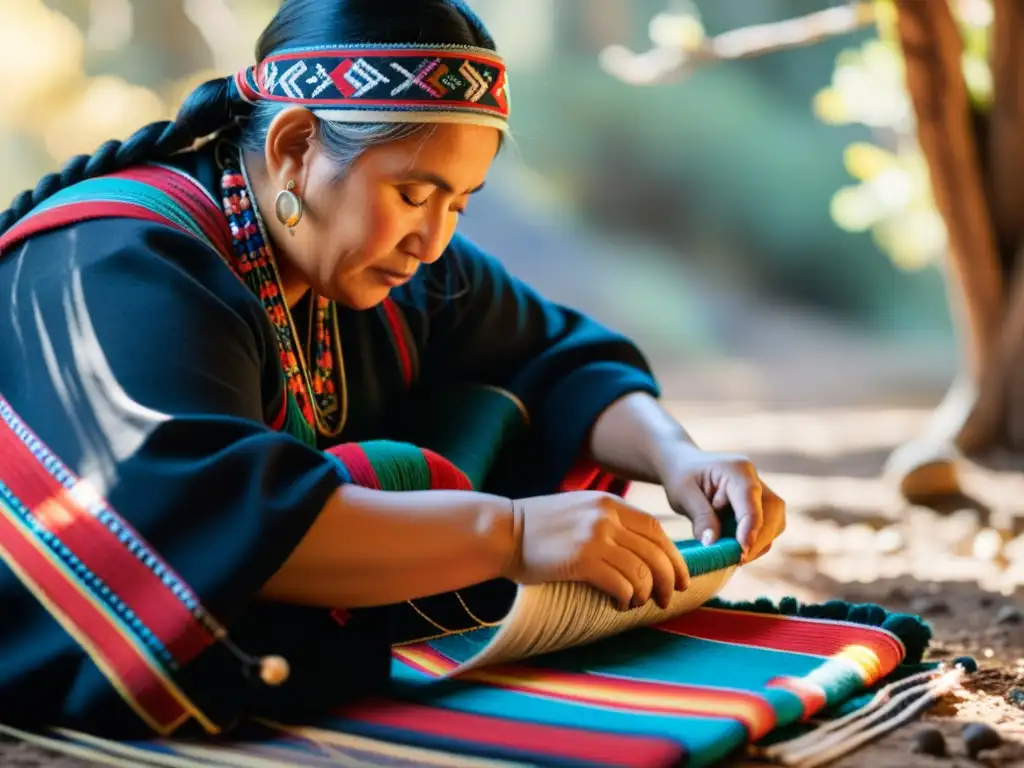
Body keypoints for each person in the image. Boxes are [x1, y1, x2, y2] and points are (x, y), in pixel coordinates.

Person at [0, 0, 785, 741]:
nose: (434, 241)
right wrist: (508, 534)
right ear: (295, 148)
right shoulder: (122, 265)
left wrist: (677, 457)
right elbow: (196, 519)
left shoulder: (394, 267)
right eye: (414, 194)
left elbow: (555, 355)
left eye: (460, 205)